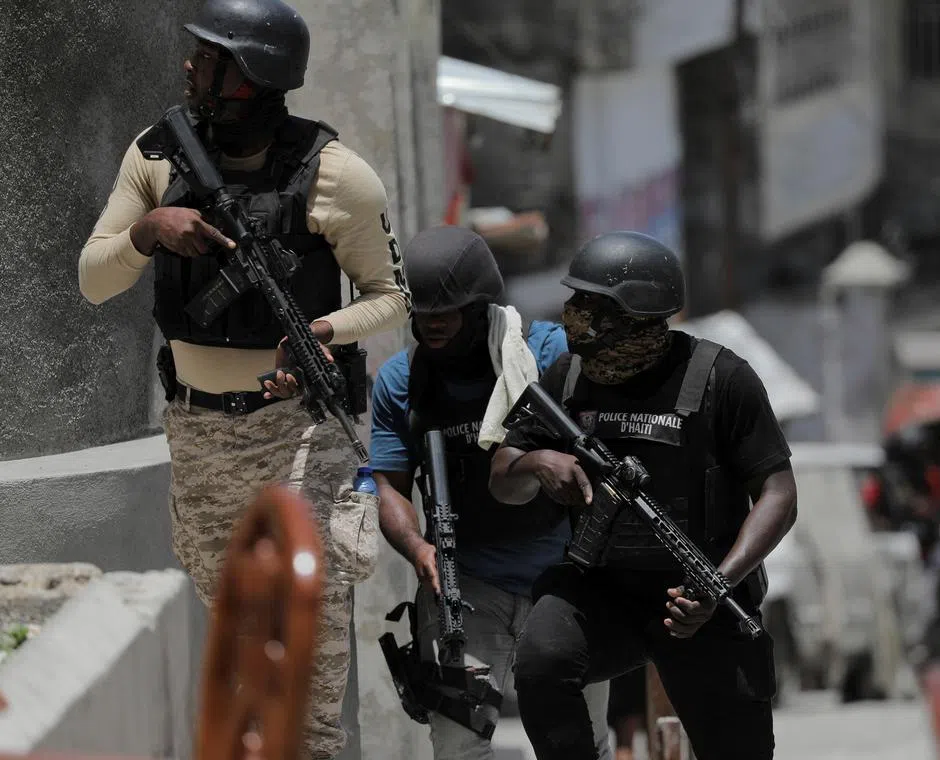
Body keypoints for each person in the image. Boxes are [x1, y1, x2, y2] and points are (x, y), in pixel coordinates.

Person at [77, 1, 410, 756]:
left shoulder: (337, 175)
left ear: (251, 75)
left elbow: (392, 297)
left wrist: (324, 330)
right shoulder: (156, 157)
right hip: (198, 435)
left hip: (300, 434)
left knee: (312, 663)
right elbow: (94, 279)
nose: (191, 64)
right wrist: (146, 231)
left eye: (210, 56)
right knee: (237, 658)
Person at [489, 231, 799, 760]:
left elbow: (778, 493)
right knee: (542, 660)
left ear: (631, 312)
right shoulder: (567, 378)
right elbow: (502, 477)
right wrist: (539, 462)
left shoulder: (720, 378)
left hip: (700, 599)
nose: (571, 313)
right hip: (604, 589)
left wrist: (718, 585)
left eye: (588, 302)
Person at [368, 226, 612, 760]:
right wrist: (419, 549)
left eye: (447, 313)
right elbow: (389, 485)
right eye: (423, 313)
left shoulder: (546, 355)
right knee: (458, 745)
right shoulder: (400, 382)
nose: (432, 324)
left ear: (480, 305)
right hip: (468, 586)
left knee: (581, 745)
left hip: (564, 578)